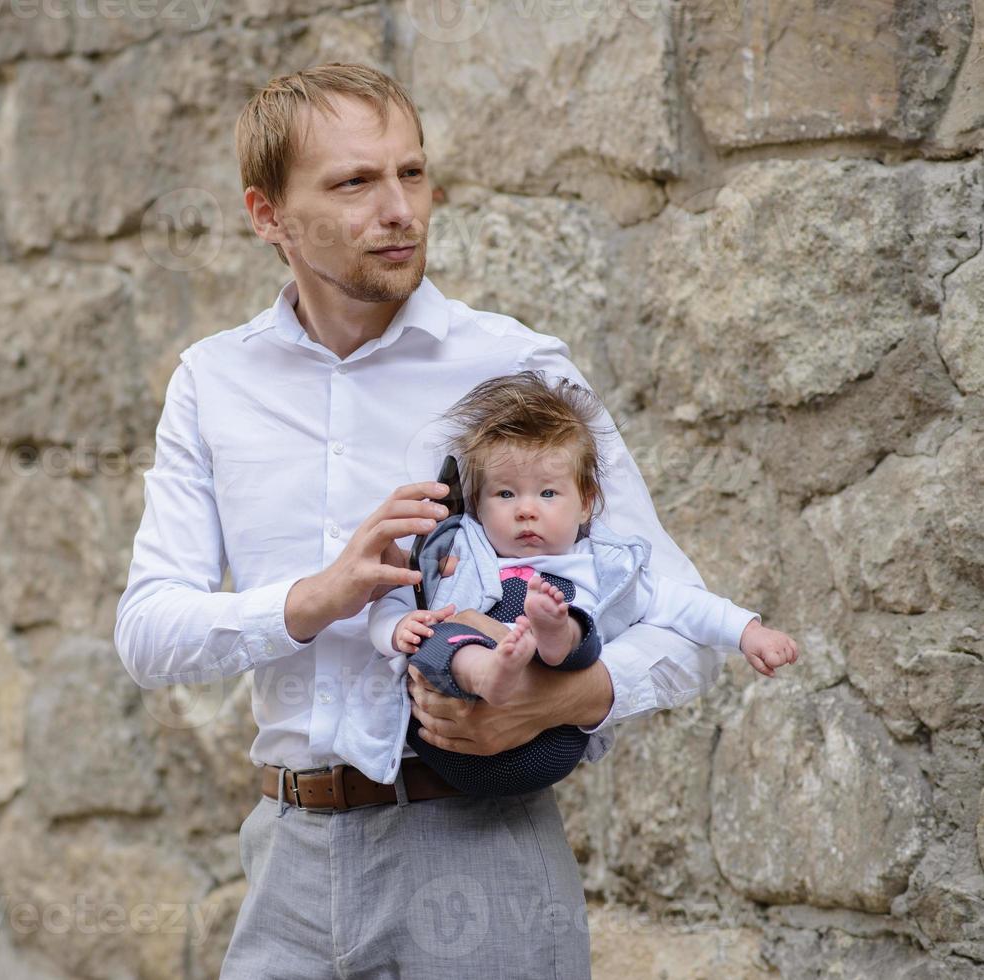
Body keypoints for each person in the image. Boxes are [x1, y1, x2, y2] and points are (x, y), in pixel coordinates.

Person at [114, 62, 725, 979]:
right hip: (286, 862)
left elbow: (684, 617)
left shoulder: (516, 367)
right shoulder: (213, 381)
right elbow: (147, 632)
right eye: (355, 182)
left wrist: (565, 699)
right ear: (266, 214)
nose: (400, 208)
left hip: (482, 858)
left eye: (411, 172)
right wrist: (312, 600)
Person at [352, 370, 799, 795]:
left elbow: (682, 604)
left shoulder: (604, 567)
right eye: (505, 494)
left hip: (549, 742)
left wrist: (747, 631)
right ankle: (489, 669)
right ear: (478, 505)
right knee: (440, 636)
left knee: (579, 628)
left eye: (547, 493)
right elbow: (391, 602)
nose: (526, 510)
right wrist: (397, 630)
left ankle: (555, 633)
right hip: (447, 733)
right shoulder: (457, 553)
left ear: (586, 503)